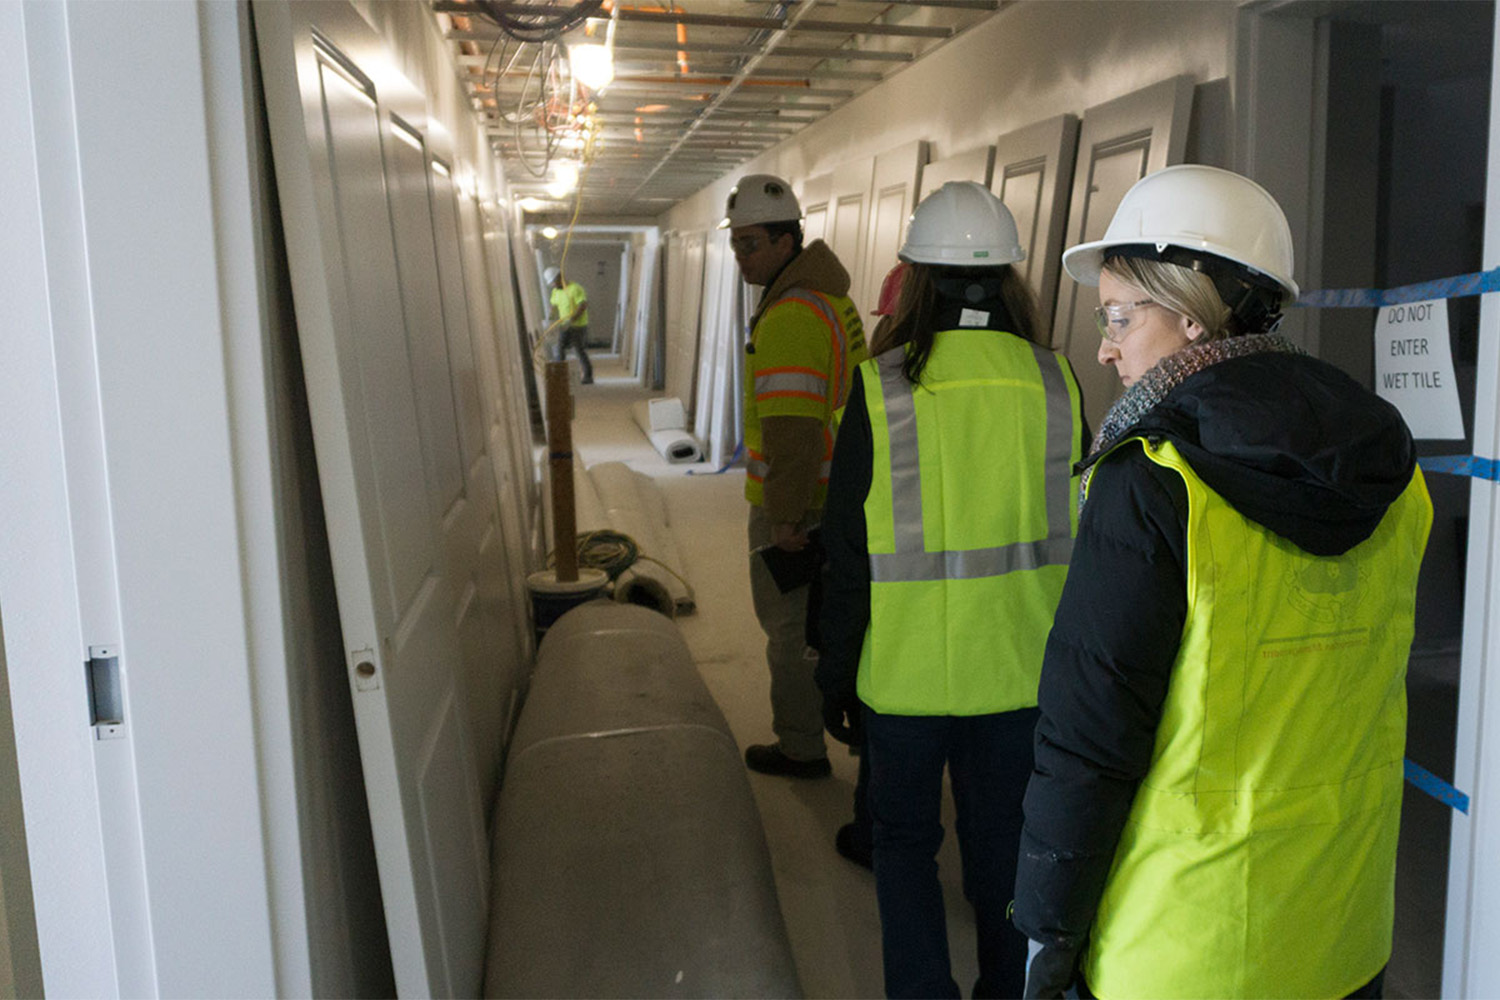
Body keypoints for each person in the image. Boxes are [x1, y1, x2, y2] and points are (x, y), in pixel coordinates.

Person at [1013, 164, 1433, 1000]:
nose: (1105, 345)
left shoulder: (1154, 481)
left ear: (1191, 311)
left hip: (1183, 947)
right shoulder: (1395, 473)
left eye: (1119, 316)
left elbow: (1090, 741)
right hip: (1343, 929)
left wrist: (1047, 927)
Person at [816, 181, 1086, 998]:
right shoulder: (1057, 382)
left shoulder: (879, 388)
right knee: (1004, 855)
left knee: (902, 849)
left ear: (914, 280)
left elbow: (846, 552)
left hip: (904, 682)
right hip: (1020, 675)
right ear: (1012, 279)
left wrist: (834, 672)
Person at [725, 173, 869, 779]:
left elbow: (793, 426)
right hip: (841, 494)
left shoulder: (789, 315)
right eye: (735, 244)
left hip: (801, 503)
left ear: (787, 243)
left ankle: (800, 746)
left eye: (752, 243)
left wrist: (783, 515)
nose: (741, 257)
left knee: (789, 631)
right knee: (840, 622)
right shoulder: (829, 299)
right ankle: (860, 738)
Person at [547, 266, 593, 384]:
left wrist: (571, 320)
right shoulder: (555, 292)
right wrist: (551, 316)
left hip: (578, 326)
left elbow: (582, 305)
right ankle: (559, 377)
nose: (552, 285)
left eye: (553, 282)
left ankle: (588, 376)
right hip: (564, 325)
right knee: (560, 348)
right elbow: (553, 306)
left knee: (578, 349)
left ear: (559, 277)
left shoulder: (575, 288)